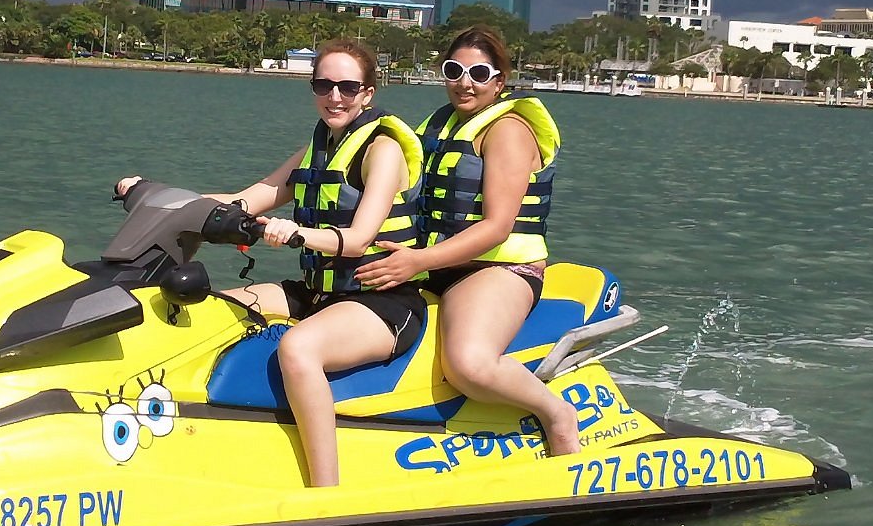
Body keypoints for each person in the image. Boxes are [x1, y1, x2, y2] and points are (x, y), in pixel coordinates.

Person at [115, 38, 424, 486]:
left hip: (381, 300)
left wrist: (294, 232)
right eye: (323, 84)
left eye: (347, 87)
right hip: (319, 292)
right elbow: (249, 199)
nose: (334, 96)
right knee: (214, 307)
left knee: (299, 349)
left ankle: (327, 491)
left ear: (368, 93)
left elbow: (359, 239)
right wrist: (160, 197)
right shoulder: (317, 148)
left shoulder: (383, 150)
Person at [353, 25, 581, 457]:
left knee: (468, 365)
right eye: (455, 70)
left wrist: (418, 261)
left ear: (500, 80)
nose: (465, 82)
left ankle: (556, 415)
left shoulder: (508, 130)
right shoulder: (439, 124)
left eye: (479, 73)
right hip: (436, 262)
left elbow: (497, 227)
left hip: (499, 269)